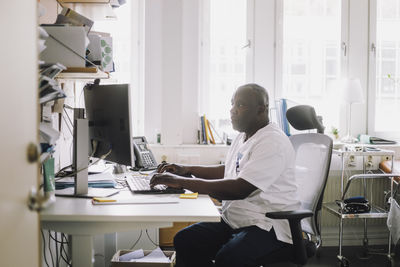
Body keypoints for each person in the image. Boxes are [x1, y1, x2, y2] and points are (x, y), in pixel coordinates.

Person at [150, 83, 300, 267]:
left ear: (261, 110)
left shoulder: (272, 142)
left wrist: (182, 181)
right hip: (237, 221)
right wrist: (187, 169)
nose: (232, 110)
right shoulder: (244, 135)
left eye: (240, 105)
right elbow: (228, 170)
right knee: (185, 240)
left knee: (229, 258)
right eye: (232, 104)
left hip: (268, 226)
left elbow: (239, 189)